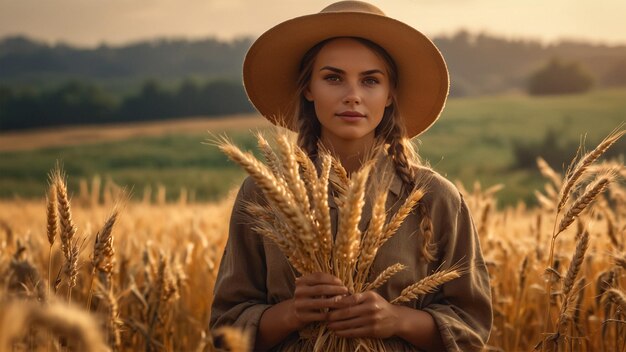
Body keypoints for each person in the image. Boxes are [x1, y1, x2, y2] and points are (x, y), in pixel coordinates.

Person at [210, 1, 492, 351]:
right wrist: (291, 313)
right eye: (333, 78)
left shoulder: (436, 198)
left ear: (390, 95)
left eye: (370, 80)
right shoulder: (265, 192)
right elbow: (225, 330)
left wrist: (397, 320)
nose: (353, 96)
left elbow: (473, 328)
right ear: (308, 89)